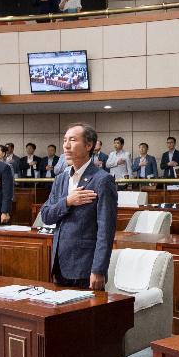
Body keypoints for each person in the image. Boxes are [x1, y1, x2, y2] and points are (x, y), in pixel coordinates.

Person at [39, 124, 117, 289]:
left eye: (73, 140)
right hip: (59, 265)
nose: (66, 145)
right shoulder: (61, 178)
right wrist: (67, 201)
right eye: (65, 140)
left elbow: (106, 230)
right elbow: (46, 215)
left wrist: (99, 270)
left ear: (89, 146)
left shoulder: (102, 180)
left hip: (85, 267)